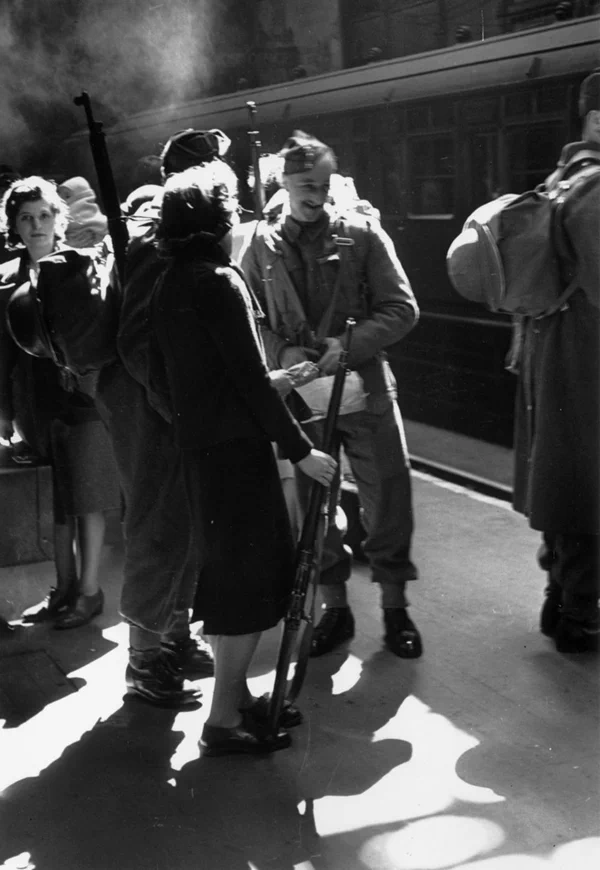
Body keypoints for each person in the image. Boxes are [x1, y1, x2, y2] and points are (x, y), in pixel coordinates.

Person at [150, 161, 337, 755]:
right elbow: (250, 383)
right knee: (252, 588)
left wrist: (252, 390)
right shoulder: (221, 280)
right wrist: (302, 451)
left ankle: (239, 700)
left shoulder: (168, 282)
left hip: (205, 455)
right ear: (219, 223)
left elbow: (180, 379)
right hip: (239, 458)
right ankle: (223, 719)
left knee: (235, 580)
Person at [242, 131, 423, 659]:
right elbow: (250, 320)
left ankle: (395, 611)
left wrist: (347, 344)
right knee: (314, 508)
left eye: (322, 184)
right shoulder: (258, 245)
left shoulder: (362, 236)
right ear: (282, 182)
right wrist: (280, 355)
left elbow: (402, 309)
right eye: (305, 185)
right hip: (304, 402)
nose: (316, 195)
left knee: (388, 500)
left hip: (364, 392)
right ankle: (334, 610)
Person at [93, 129, 234, 706]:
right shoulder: (158, 231)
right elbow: (136, 338)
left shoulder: (167, 222)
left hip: (158, 398)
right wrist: (173, 407)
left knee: (184, 520)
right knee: (158, 523)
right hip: (146, 402)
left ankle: (172, 637)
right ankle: (144, 662)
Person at [0, 176, 120, 628]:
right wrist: (6, 413)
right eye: (26, 218)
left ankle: (89, 592)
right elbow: (3, 354)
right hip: (37, 405)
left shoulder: (80, 266)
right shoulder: (6, 277)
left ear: (59, 218)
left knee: (88, 496)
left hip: (84, 401)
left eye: (45, 216)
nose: (36, 226)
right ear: (14, 224)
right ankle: (64, 588)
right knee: (58, 501)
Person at [512, 70, 600, 654]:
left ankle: (559, 600)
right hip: (585, 358)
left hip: (551, 352)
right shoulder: (595, 190)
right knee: (587, 484)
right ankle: (578, 616)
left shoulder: (558, 180)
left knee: (564, 476)